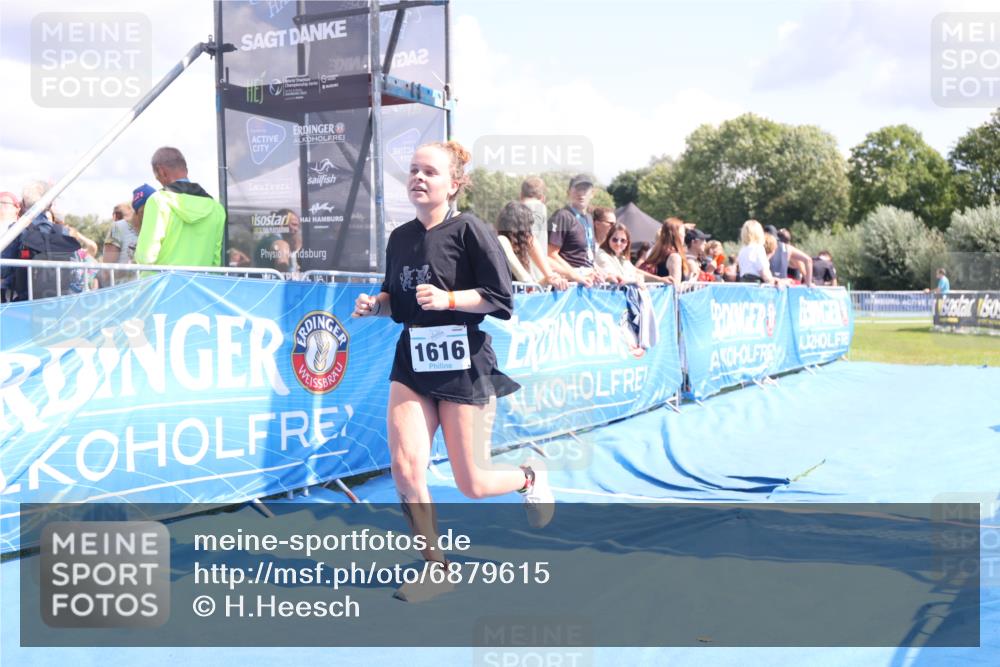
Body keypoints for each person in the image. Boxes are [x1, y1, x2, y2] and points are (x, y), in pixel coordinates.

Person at [352, 141, 554, 603]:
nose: (419, 178)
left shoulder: (471, 231)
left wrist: (449, 300)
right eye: (413, 171)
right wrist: (375, 305)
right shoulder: (400, 237)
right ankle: (436, 567)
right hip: (412, 361)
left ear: (454, 184)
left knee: (473, 483)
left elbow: (500, 300)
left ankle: (528, 477)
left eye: (430, 172)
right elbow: (394, 299)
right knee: (406, 468)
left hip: (464, 362)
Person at [134, 147, 225, 267]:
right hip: (200, 284)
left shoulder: (158, 201)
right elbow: (216, 261)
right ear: (186, 169)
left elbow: (146, 256)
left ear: (161, 171)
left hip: (163, 284)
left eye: (157, 177)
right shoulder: (217, 209)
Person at [546, 174, 599, 286]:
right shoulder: (562, 216)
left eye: (585, 189)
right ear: (568, 192)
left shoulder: (589, 218)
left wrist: (598, 270)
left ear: (592, 193)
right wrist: (575, 275)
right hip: (569, 284)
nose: (581, 193)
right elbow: (550, 254)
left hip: (587, 280)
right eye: (577, 189)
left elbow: (586, 254)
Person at [518, 177, 567, 289]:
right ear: (542, 197)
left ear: (520, 195)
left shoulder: (514, 210)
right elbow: (533, 244)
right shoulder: (540, 208)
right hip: (538, 279)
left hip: (521, 280)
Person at [102, 197, 142, 285]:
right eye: (115, 214)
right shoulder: (117, 228)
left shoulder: (151, 229)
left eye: (119, 214)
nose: (116, 218)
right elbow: (106, 272)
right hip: (122, 291)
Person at [639, 218, 689, 284]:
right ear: (677, 236)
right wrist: (692, 283)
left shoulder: (657, 252)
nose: (684, 237)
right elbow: (676, 287)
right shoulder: (674, 257)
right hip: (666, 294)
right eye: (683, 234)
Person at [737, 219, 784, 286]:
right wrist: (774, 282)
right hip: (756, 286)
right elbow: (764, 272)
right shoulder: (758, 248)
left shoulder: (742, 250)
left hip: (745, 285)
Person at [255, 208, 302, 272]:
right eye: (294, 224)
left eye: (298, 225)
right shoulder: (281, 244)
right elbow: (282, 268)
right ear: (281, 225)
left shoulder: (265, 240)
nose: (297, 229)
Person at [0, 191, 21, 301]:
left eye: (5, 203)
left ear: (17, 208)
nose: (2, 206)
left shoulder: (22, 230)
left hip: (11, 290)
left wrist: (6, 281)